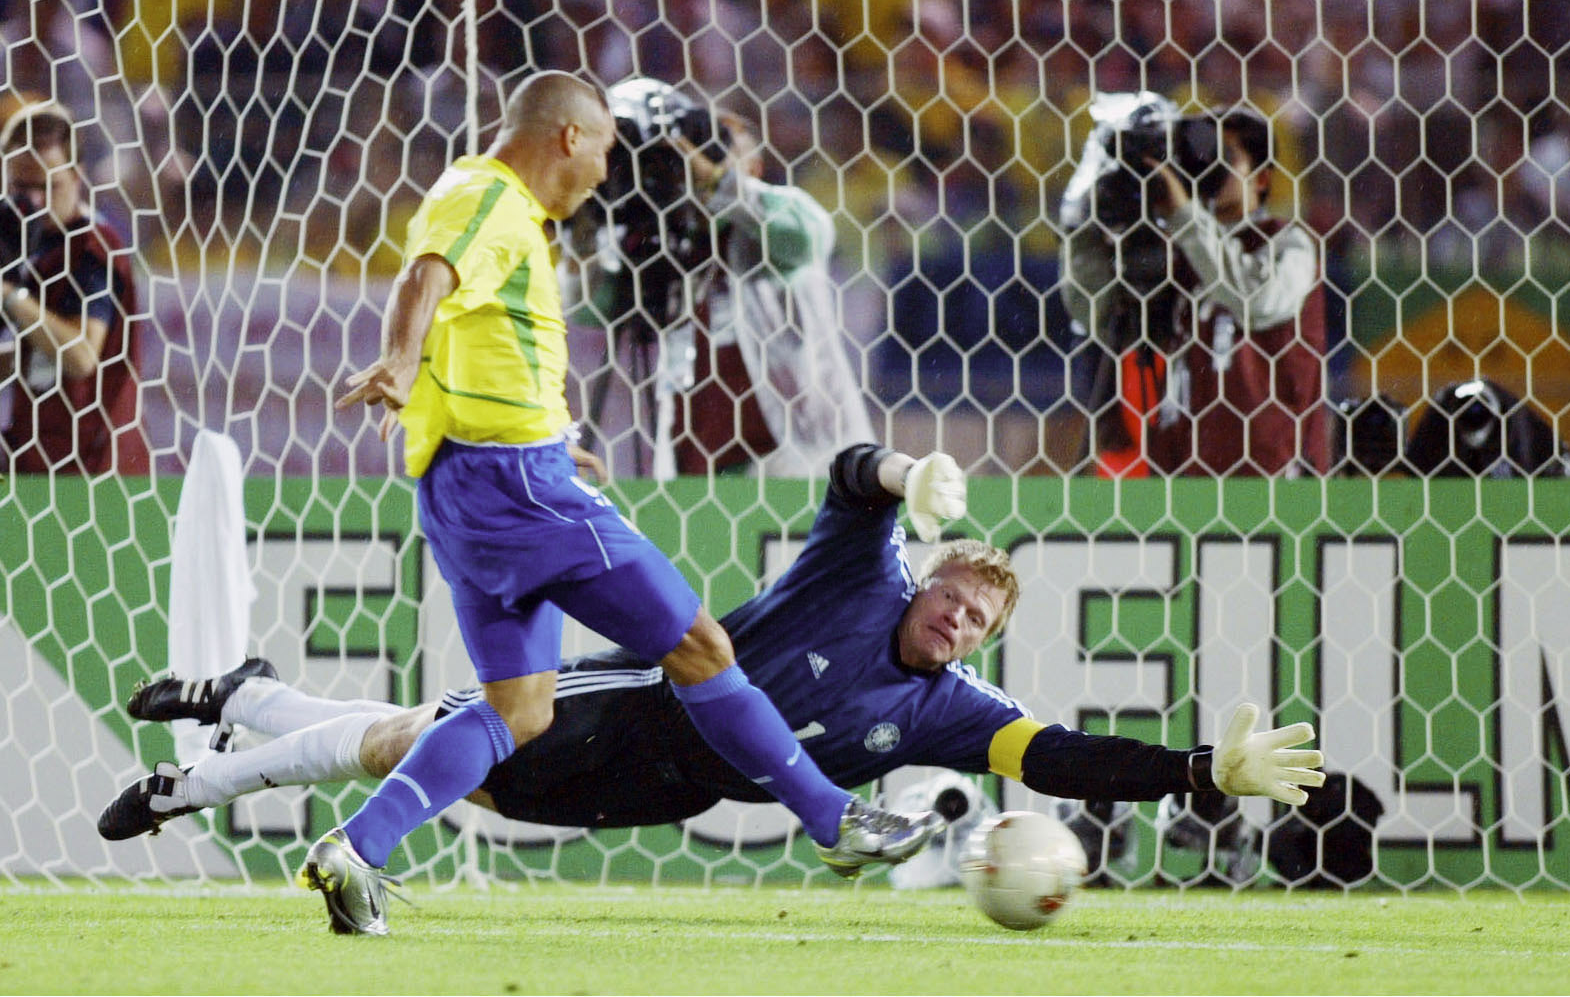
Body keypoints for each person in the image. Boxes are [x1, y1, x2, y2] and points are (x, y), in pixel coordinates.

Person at [101, 445, 1326, 893]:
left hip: (666, 786)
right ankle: (190, 786)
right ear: (932, 580)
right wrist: (904, 476)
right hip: (638, 694)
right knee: (407, 748)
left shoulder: (953, 709)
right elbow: (852, 482)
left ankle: (240, 694)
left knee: (433, 757)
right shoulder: (864, 574)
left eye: (972, 625)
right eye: (951, 598)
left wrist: (1193, 765)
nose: (951, 624)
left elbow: (1055, 753)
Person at [324, 72, 949, 936]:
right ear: (569, 137)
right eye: (607, 148)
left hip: (475, 487)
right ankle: (834, 820)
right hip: (521, 491)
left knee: (520, 710)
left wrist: (550, 431)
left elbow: (473, 340)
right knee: (699, 646)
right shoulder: (487, 198)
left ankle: (357, 847)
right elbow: (426, 279)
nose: (611, 168)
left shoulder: (512, 222)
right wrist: (396, 358)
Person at [1062, 101, 1329, 478]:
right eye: (1203, 154)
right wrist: (1084, 226)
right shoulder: (1177, 254)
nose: (1210, 166)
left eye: (1226, 156)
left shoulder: (1288, 243)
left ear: (1262, 178)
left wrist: (1185, 216)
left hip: (1271, 484)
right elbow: (1095, 315)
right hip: (1181, 482)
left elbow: (1259, 300)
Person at [672, 109, 877, 477]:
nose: (700, 163)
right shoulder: (674, 242)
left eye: (719, 150)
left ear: (753, 168)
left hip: (793, 455)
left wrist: (720, 183)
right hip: (698, 462)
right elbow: (594, 311)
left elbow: (812, 234)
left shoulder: (782, 215)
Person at [0, 101, 147, 474]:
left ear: (78, 175)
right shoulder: (20, 245)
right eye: (21, 186)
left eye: (49, 186)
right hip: (33, 458)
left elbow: (81, 356)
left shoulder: (94, 251)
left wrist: (9, 296)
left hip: (94, 471)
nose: (33, 201)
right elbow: (28, 357)